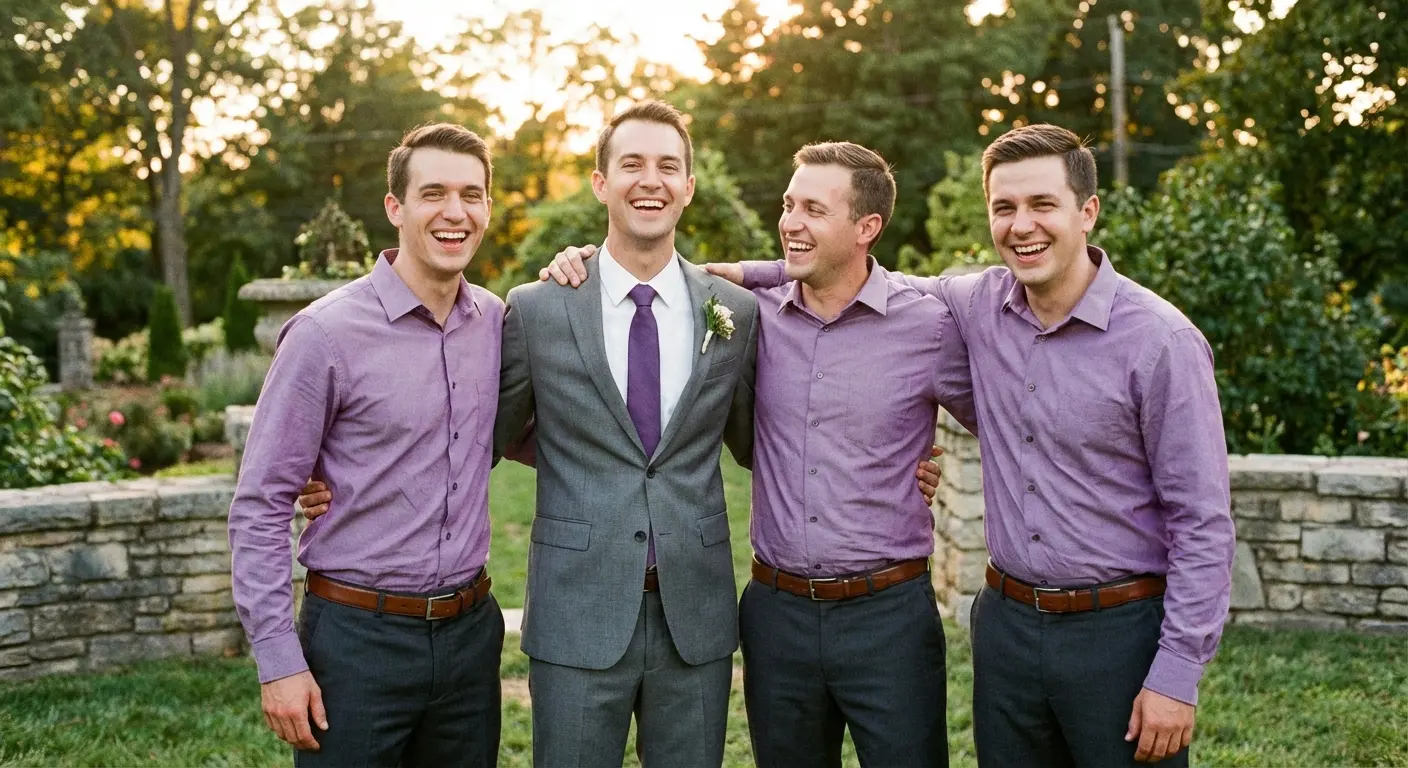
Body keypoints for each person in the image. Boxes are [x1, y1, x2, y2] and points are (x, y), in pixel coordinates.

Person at [726, 124, 1236, 766]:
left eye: (1041, 205)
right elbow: (854, 276)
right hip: (1006, 629)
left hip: (1120, 631)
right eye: (1004, 208)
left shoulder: (1162, 342)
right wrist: (745, 273)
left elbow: (1204, 522)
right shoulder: (973, 302)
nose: (1022, 225)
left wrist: (1177, 672)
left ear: (1088, 211)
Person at [542, 141, 976, 768]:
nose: (791, 223)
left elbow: (1008, 429)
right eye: (788, 205)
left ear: (867, 228)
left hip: (890, 616)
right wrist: (582, 260)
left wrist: (910, 465)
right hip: (778, 616)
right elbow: (666, 274)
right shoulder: (746, 317)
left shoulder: (929, 325)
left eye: (813, 211)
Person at [227, 123, 505, 766]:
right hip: (356, 640)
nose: (454, 212)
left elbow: (526, 436)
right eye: (433, 192)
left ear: (488, 207)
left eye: (472, 194)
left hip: (470, 639)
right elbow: (261, 503)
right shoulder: (324, 335)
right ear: (395, 208)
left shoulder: (495, 322)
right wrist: (277, 663)